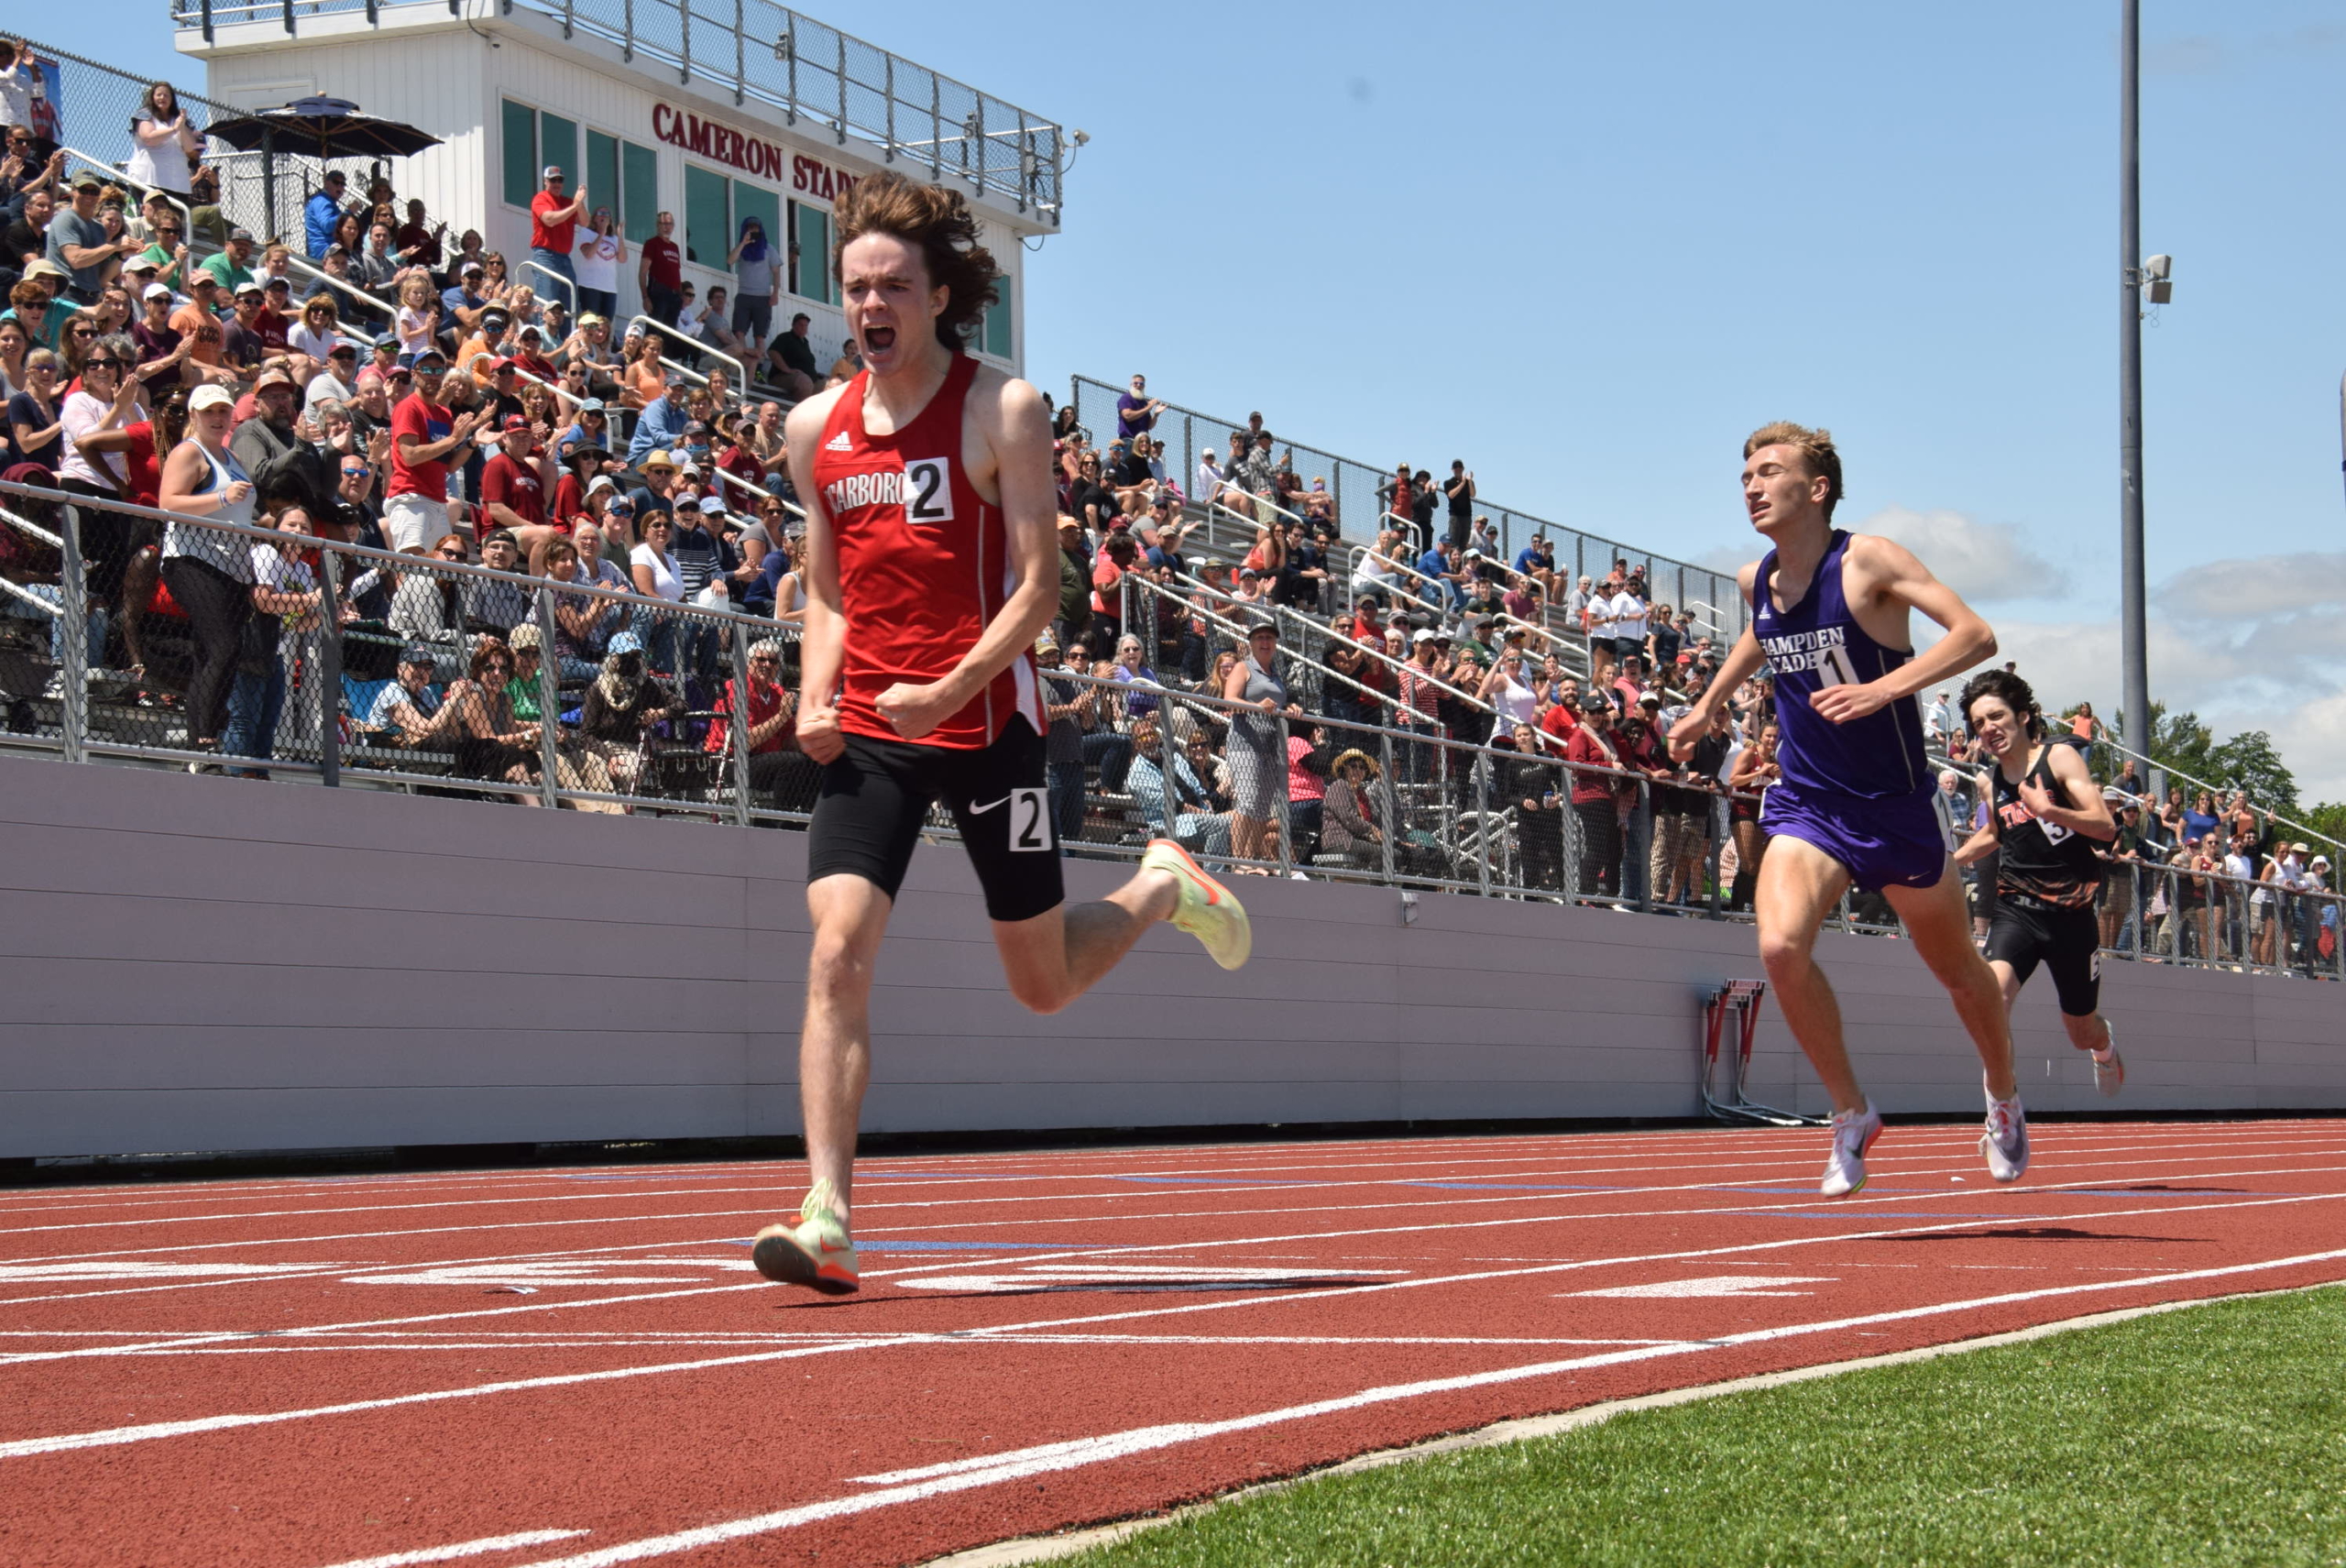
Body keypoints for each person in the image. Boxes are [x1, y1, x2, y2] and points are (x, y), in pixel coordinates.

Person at [755, 170, 1253, 1297]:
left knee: (1042, 983)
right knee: (836, 950)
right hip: (872, 730)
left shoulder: (1001, 409)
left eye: (893, 285)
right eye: (855, 287)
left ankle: (1162, 885)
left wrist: (950, 687)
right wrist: (817, 693)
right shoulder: (813, 429)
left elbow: (1040, 591)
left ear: (938, 296)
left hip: (985, 723)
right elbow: (824, 590)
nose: (870, 305)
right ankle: (828, 1212)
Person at [1668, 422, 2019, 1197]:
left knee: (1961, 975)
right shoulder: (1758, 579)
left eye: (1770, 471)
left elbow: (1976, 634)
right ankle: (1851, 1113)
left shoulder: (1869, 562)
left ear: (1817, 487)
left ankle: (2001, 1093)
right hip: (1809, 803)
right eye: (1745, 475)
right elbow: (1761, 638)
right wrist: (1708, 704)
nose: (1752, 485)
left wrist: (1882, 688)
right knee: (1780, 947)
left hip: (1896, 807)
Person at [1952, 669, 2126, 1093]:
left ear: (2023, 716)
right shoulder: (1989, 781)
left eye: (1996, 716)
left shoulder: (2059, 758)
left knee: (2080, 1032)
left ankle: (2103, 1047)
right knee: (1991, 999)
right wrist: (1950, 862)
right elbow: (1996, 833)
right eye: (1979, 722)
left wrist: (2048, 810)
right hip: (2016, 910)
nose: (1988, 728)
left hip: (2071, 915)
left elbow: (2105, 827)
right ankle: (2003, 1105)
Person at [155, 382, 257, 764]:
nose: (217, 418)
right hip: (193, 560)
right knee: (224, 647)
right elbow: (167, 503)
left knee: (210, 653)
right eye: (209, 411)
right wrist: (221, 497)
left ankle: (202, 738)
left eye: (223, 411)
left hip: (233, 568)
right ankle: (205, 737)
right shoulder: (188, 452)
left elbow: (241, 513)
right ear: (194, 415)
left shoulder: (231, 456)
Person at [383, 345, 492, 554]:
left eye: (438, 370)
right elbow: (410, 456)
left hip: (437, 502)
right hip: (411, 499)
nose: (433, 376)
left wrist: (472, 442)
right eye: (426, 369)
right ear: (414, 374)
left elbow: (450, 465)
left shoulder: (443, 413)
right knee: (412, 563)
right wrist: (452, 439)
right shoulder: (408, 407)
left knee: (441, 566)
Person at [126, 81, 203, 198]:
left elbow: (189, 147)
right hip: (149, 178)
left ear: (172, 99)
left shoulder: (179, 119)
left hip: (177, 183)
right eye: (159, 95)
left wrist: (181, 127)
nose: (162, 98)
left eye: (166, 95)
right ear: (152, 97)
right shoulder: (145, 115)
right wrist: (173, 129)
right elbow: (149, 138)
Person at [527, 165, 585, 313]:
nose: (557, 184)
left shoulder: (568, 202)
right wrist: (575, 206)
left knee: (570, 307)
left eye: (560, 180)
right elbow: (549, 220)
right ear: (545, 181)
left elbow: (585, 222)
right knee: (547, 303)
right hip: (546, 255)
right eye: (553, 180)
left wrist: (580, 204)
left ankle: (567, 330)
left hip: (564, 258)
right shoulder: (541, 198)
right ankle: (541, 328)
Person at [573, 206, 625, 322]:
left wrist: (620, 236)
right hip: (590, 285)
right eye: (600, 213)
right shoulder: (587, 232)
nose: (603, 217)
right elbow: (588, 254)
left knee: (605, 323)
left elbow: (622, 259)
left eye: (607, 214)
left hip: (609, 288)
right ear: (594, 218)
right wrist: (601, 234)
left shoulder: (614, 239)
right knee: (590, 321)